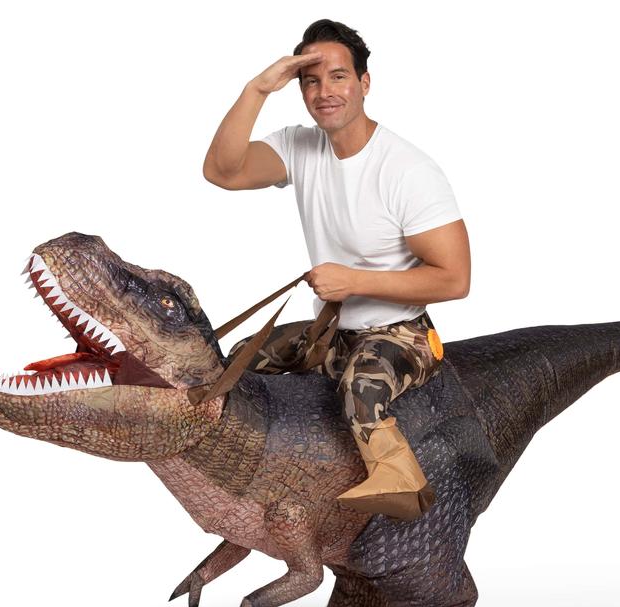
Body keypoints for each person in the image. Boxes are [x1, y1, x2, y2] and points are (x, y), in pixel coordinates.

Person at [202, 19, 471, 521]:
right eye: (312, 81)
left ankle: (400, 483)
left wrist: (355, 282)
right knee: (239, 361)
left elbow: (455, 279)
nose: (324, 91)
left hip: (401, 333)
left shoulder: (408, 171)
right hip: (333, 332)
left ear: (364, 83)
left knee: (360, 390)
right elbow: (222, 170)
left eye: (339, 77)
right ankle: (255, 469)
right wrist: (257, 89)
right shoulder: (300, 147)